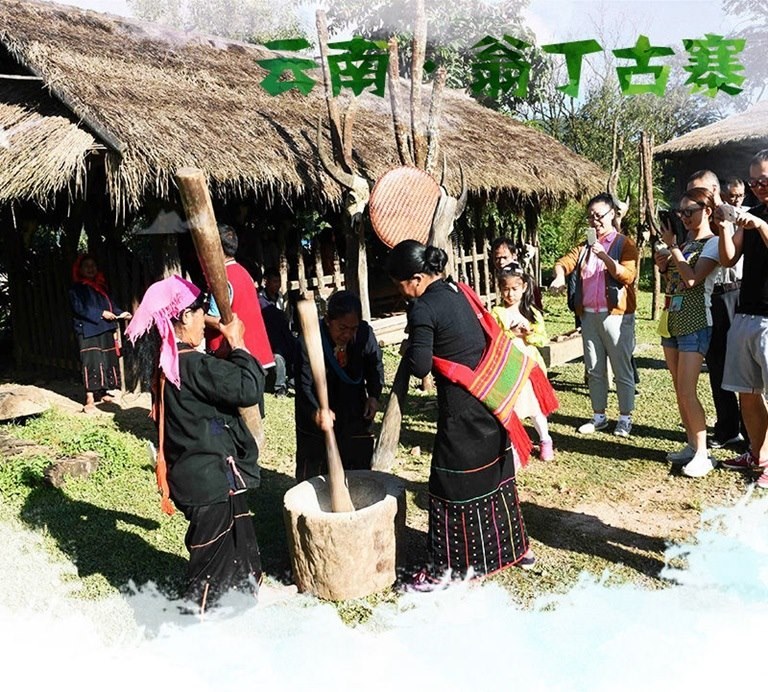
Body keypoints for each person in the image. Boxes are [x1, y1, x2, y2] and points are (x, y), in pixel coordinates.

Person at [387, 240, 535, 581]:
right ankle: (515, 550)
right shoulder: (459, 290)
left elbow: (420, 366)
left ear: (415, 279)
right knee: (496, 477)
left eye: (400, 285)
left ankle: (453, 569)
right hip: (490, 399)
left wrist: (409, 347)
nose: (401, 293)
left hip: (461, 408)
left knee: (451, 485)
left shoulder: (423, 307)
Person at [125, 276, 266, 611]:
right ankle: (195, 622)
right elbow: (247, 388)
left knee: (240, 548)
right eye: (202, 312)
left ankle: (241, 603)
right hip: (208, 480)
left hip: (210, 474)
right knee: (210, 570)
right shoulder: (191, 365)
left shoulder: (169, 365)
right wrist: (238, 344)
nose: (205, 319)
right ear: (186, 316)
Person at [549, 193, 638, 437]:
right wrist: (560, 276)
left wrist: (605, 257)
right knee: (595, 369)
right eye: (590, 217)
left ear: (612, 215)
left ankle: (625, 418)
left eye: (599, 216)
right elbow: (563, 262)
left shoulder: (624, 244)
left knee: (621, 369)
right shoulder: (584, 246)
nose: (594, 221)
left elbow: (627, 276)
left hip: (617, 316)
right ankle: (599, 416)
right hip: (588, 315)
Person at [655, 188, 721, 477]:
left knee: (687, 390)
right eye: (681, 212)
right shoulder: (685, 243)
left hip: (696, 324)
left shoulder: (713, 243)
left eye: (689, 211)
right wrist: (663, 267)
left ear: (707, 211)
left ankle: (703, 454)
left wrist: (672, 248)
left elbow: (693, 280)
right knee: (679, 389)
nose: (683, 217)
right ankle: (692, 445)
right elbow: (676, 279)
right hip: (673, 320)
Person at [716, 149, 768, 489]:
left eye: (764, 181)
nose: (758, 188)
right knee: (747, 393)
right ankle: (757, 454)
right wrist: (724, 226)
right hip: (746, 314)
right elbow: (728, 258)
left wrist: (761, 225)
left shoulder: (758, 219)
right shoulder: (753, 214)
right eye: (754, 182)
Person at [294, 290, 384, 482]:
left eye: (353, 328)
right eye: (342, 328)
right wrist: (316, 411)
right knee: (317, 472)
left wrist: (373, 395)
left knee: (357, 468)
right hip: (318, 411)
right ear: (328, 320)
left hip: (353, 408)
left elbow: (374, 365)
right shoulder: (309, 340)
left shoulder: (364, 334)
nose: (348, 334)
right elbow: (304, 384)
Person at [687, 170, 746, 450]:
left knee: (743, 365)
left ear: (713, 189)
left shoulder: (737, 215)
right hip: (709, 296)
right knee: (717, 363)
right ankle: (727, 427)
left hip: (735, 292)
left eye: (698, 192)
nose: (693, 198)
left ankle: (752, 432)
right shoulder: (695, 219)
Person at [491, 267, 554, 461]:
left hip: (530, 367)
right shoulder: (498, 313)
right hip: (510, 367)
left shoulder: (532, 312)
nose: (510, 294)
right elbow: (494, 338)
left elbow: (542, 339)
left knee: (535, 407)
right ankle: (514, 445)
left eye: (514, 289)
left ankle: (545, 439)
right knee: (512, 407)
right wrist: (511, 333)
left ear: (524, 287)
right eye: (506, 289)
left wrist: (529, 334)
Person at [205, 224, 274, 370]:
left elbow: (217, 320)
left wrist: (198, 316)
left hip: (235, 361)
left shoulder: (221, 279)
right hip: (257, 357)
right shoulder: (244, 273)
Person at [68, 254, 131, 413]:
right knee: (92, 360)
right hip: (88, 329)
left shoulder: (101, 287)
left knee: (106, 359)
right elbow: (80, 308)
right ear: (80, 269)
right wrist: (101, 313)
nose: (90, 269)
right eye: (86, 266)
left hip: (105, 328)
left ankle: (102, 392)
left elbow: (112, 306)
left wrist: (121, 313)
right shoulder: (76, 289)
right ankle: (89, 397)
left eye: (93, 266)